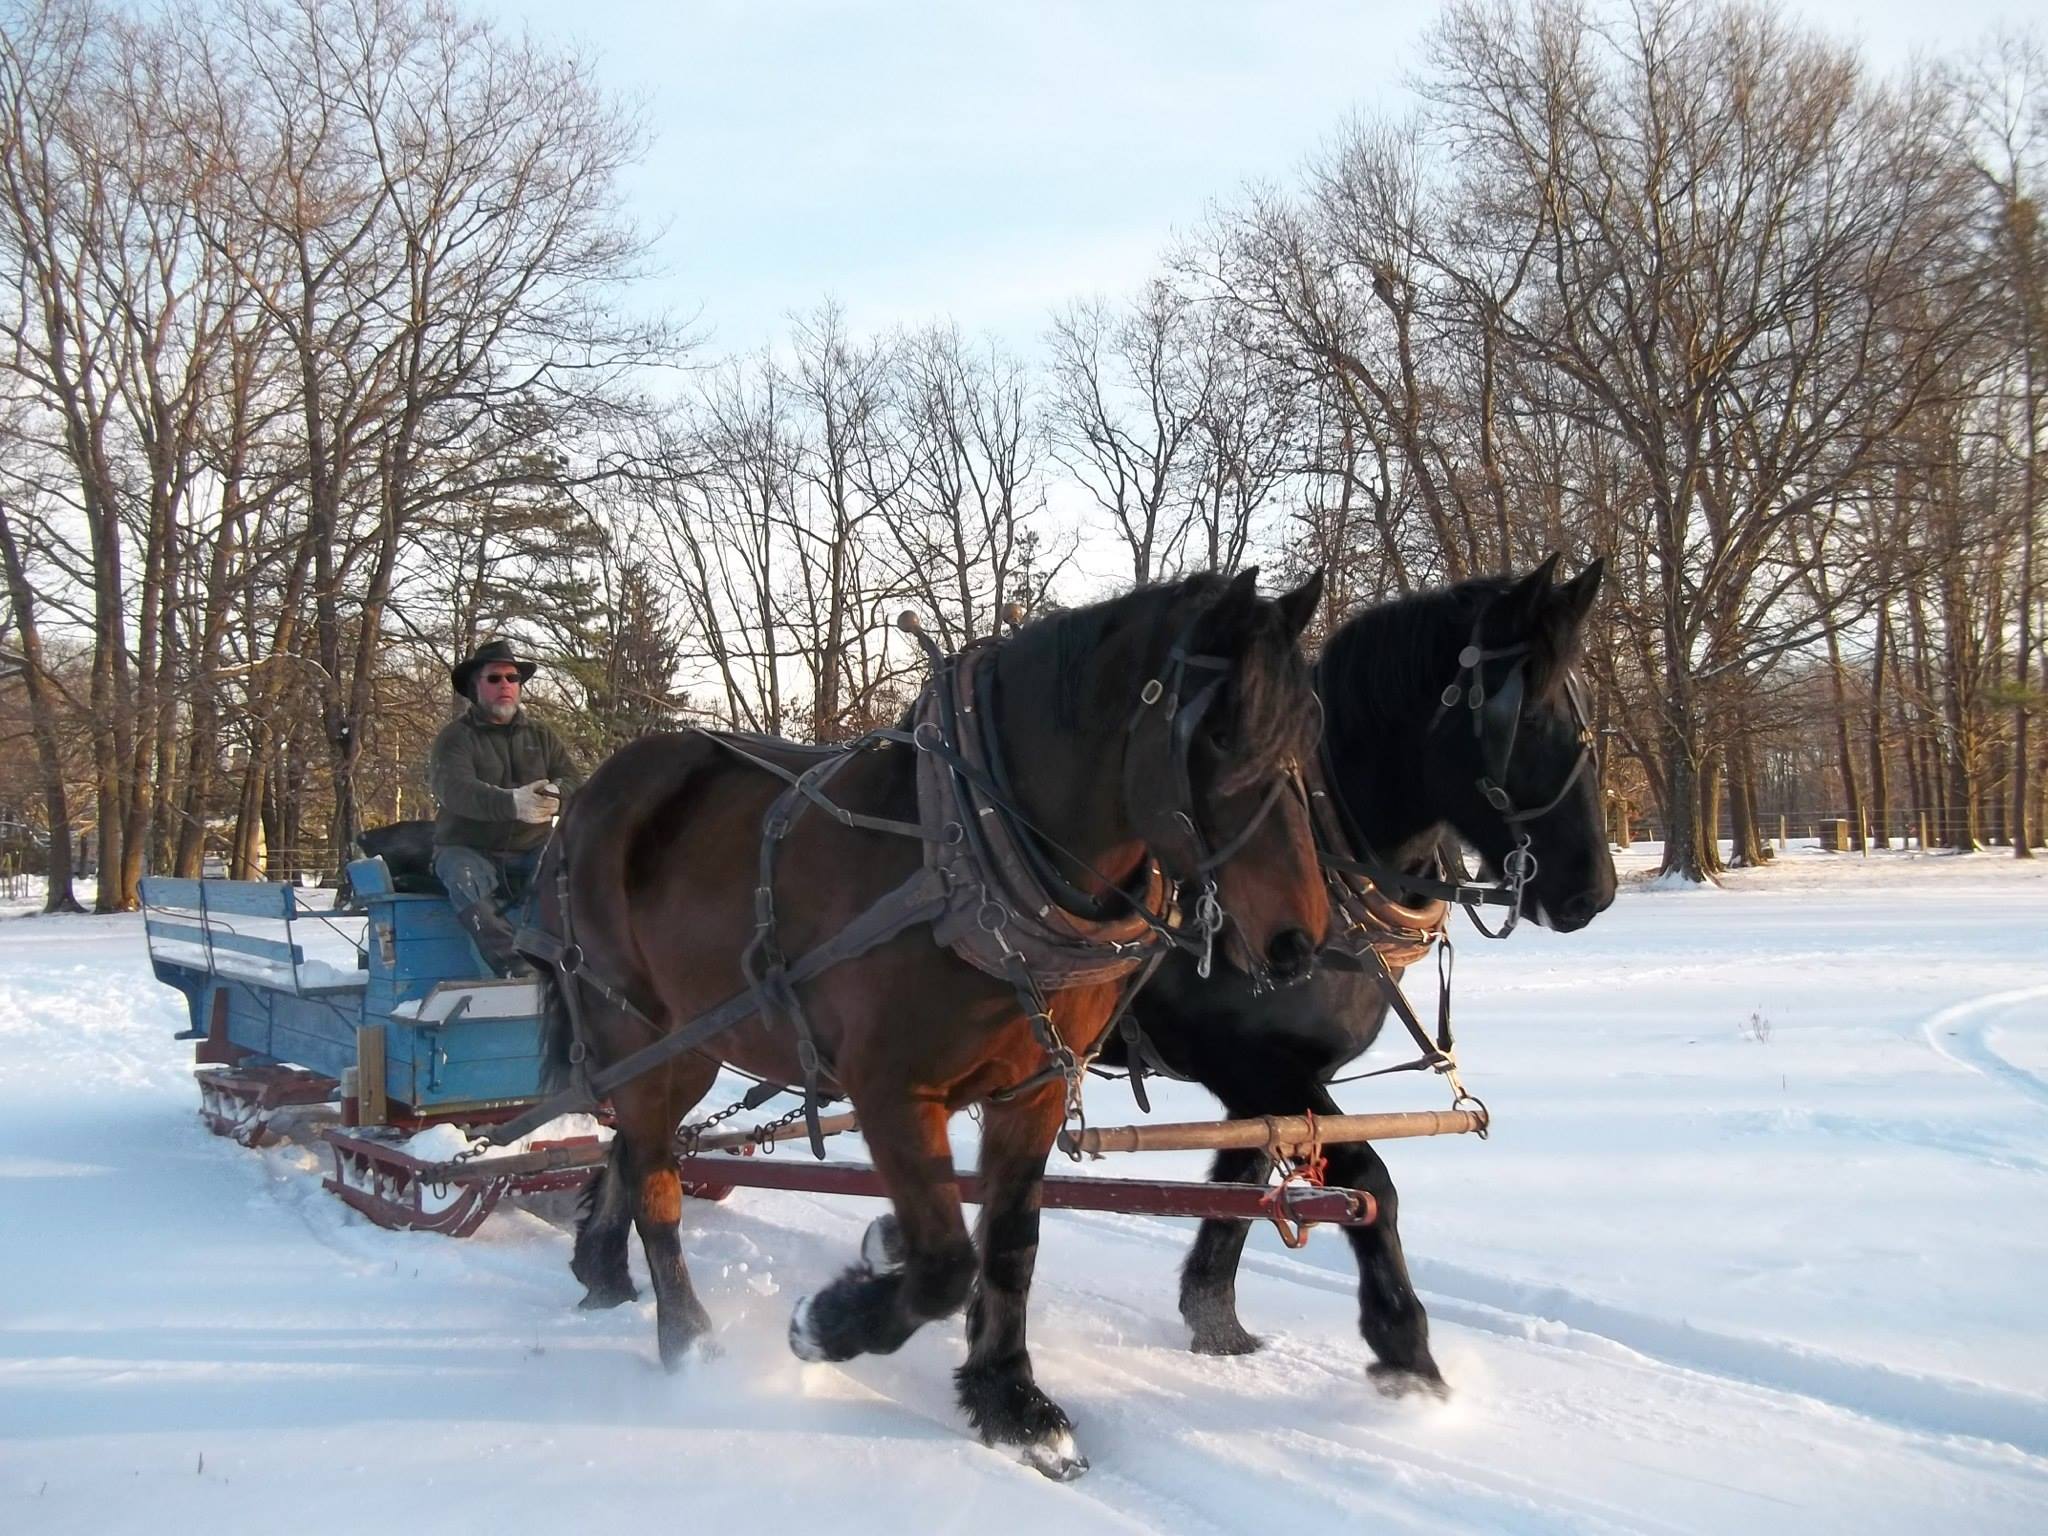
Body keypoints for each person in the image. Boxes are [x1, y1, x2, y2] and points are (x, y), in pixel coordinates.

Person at [430, 639, 581, 976]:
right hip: (468, 847)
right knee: (462, 878)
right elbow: (455, 790)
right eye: (494, 679)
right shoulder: (455, 738)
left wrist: (556, 793)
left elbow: (574, 781)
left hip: (533, 847)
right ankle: (517, 969)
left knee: (578, 878)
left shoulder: (542, 736)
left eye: (512, 678)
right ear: (475, 687)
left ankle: (582, 967)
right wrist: (512, 803)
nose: (506, 686)